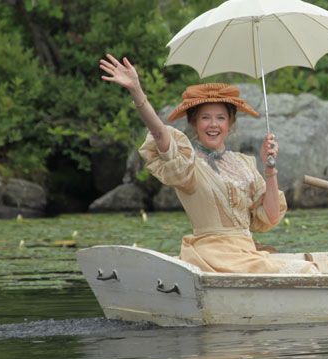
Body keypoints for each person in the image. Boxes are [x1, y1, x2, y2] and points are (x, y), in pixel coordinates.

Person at [99, 53, 316, 275]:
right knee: (306, 271)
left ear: (230, 123)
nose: (213, 124)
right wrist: (136, 91)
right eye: (206, 118)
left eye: (220, 118)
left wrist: (269, 169)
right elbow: (159, 133)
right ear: (194, 122)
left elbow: (270, 216)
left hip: (246, 254)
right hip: (210, 256)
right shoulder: (187, 162)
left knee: (309, 269)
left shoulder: (244, 163)